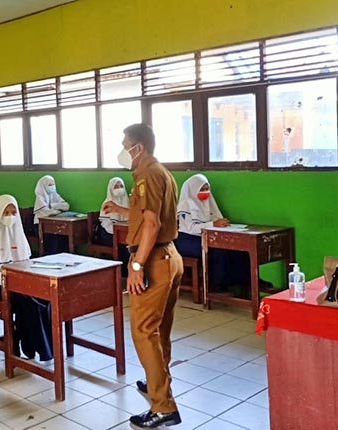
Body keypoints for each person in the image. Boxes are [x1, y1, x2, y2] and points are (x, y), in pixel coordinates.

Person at [103, 123, 183, 429]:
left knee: (142, 330)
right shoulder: (160, 172)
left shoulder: (147, 174)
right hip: (169, 256)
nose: (123, 151)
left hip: (153, 261)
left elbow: (150, 225)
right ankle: (156, 383)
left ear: (139, 148)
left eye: (126, 145)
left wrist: (136, 265)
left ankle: (163, 406)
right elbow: (148, 215)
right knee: (159, 328)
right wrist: (122, 210)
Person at [0, 195, 53, 361]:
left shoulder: (18, 233)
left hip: (16, 281)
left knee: (44, 298)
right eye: (5, 213)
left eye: (13, 213)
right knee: (27, 301)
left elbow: (25, 263)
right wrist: (10, 281)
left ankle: (28, 341)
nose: (10, 217)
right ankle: (35, 346)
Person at [175, 174, 261, 293]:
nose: (205, 192)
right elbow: (191, 228)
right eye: (202, 189)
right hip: (187, 240)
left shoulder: (207, 203)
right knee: (218, 251)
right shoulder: (185, 207)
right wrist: (213, 224)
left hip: (205, 238)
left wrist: (222, 224)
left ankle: (246, 282)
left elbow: (215, 218)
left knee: (239, 250)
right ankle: (217, 287)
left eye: (207, 188)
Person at [97, 177, 131, 273]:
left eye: (121, 186)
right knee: (122, 247)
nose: (119, 189)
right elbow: (106, 224)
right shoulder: (107, 204)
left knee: (130, 246)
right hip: (109, 234)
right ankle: (121, 274)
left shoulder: (129, 204)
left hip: (124, 234)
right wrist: (118, 233)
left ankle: (127, 274)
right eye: (116, 187)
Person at [33, 175, 70, 255]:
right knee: (54, 239)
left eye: (53, 184)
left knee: (63, 237)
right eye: (49, 185)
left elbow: (66, 206)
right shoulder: (40, 197)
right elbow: (47, 212)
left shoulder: (54, 195)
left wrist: (53, 205)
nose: (52, 187)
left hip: (54, 224)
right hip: (40, 225)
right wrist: (58, 210)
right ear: (44, 186)